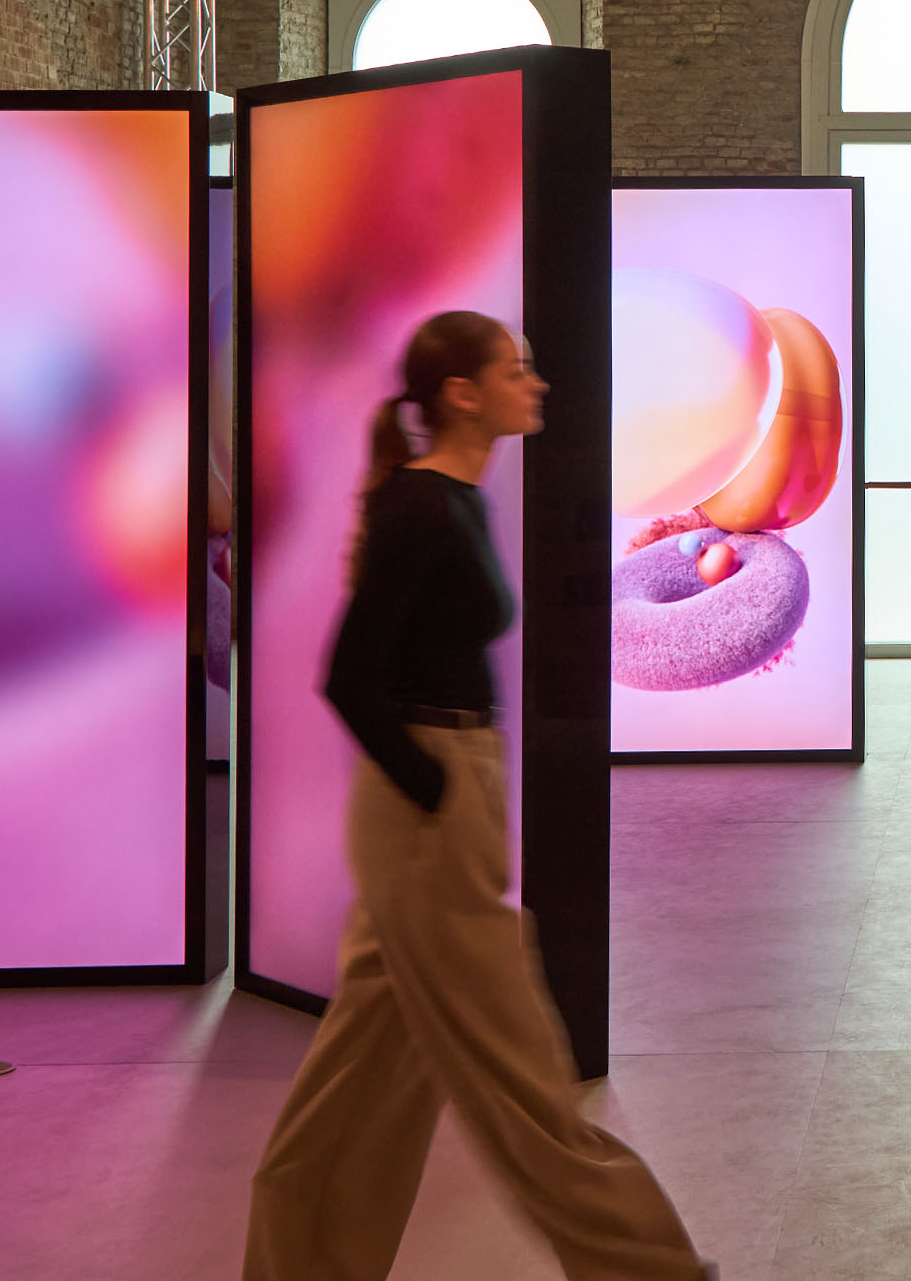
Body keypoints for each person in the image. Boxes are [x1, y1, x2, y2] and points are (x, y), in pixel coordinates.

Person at [245, 311, 714, 1281]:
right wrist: (433, 790)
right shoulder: (422, 508)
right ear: (462, 394)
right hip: (431, 806)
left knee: (359, 1080)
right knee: (520, 1072)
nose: (536, 382)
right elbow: (349, 675)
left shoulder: (457, 498)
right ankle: (651, 1269)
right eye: (516, 369)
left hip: (448, 792)